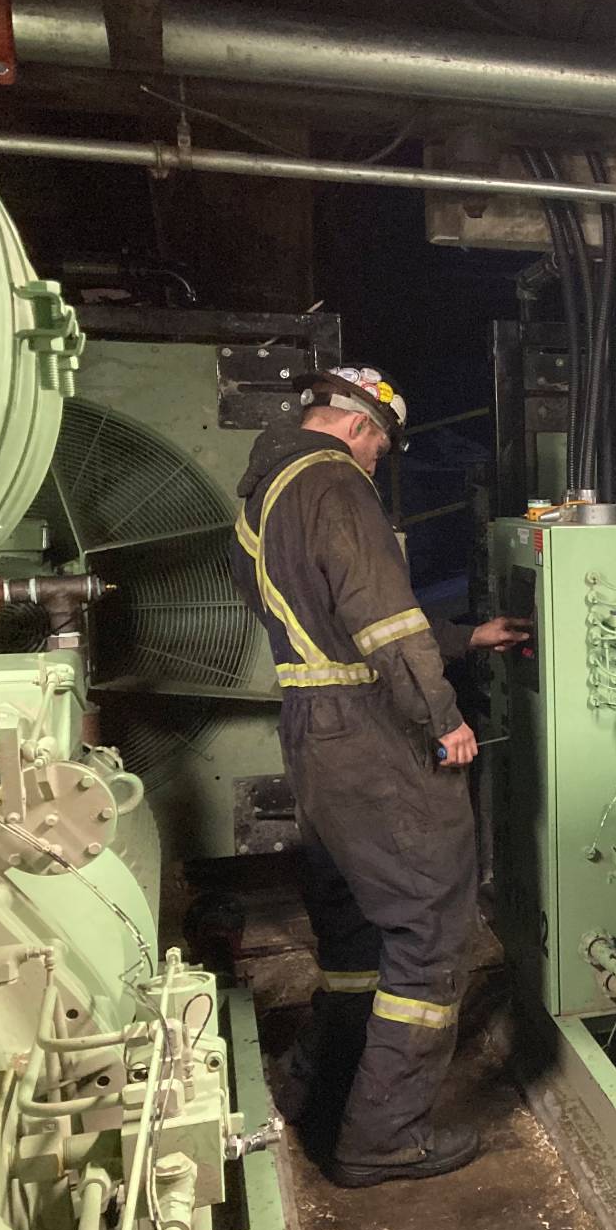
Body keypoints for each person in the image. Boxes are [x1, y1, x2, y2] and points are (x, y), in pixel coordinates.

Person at [229, 363, 528, 1187]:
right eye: (379, 449)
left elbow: (339, 614)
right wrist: (446, 718)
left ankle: (316, 1087)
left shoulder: (266, 488)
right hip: (366, 734)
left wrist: (467, 638)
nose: (375, 463)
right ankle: (384, 1136)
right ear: (361, 428)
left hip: (314, 731)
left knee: (357, 928)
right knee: (432, 928)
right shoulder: (335, 484)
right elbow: (385, 622)